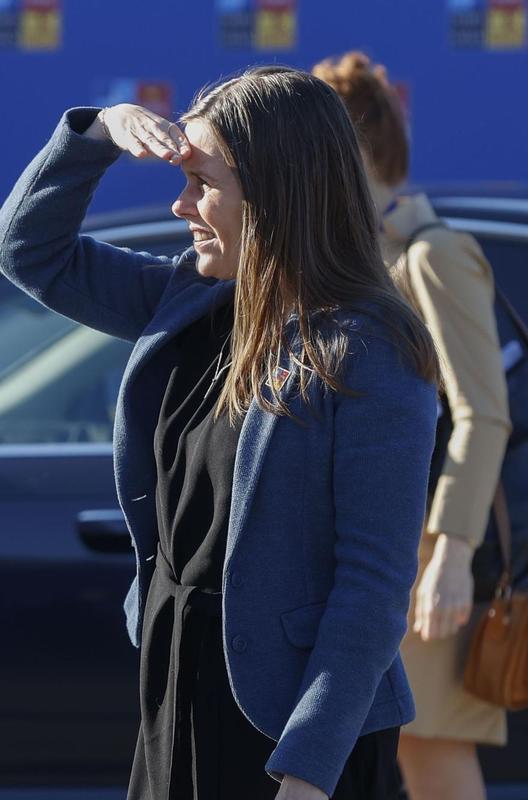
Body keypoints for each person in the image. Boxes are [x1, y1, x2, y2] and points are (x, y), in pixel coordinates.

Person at [0, 66, 440, 799]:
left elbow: (372, 584)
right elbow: (24, 250)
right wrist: (99, 133)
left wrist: (308, 768)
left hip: (290, 728)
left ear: (275, 194)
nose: (181, 205)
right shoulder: (191, 297)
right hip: (178, 683)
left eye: (203, 184)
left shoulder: (370, 349)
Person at [315, 51, 512, 800]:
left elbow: (482, 411)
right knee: (402, 750)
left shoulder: (434, 255)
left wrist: (452, 557)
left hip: (430, 553)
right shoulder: (374, 255)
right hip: (388, 549)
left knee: (430, 750)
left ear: (355, 151)